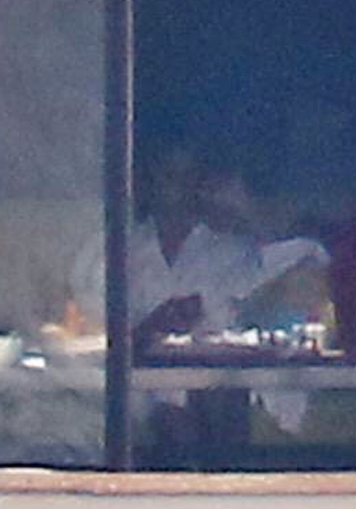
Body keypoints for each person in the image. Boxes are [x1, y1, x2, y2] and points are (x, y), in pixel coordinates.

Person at [68, 146, 330, 460]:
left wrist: (243, 213)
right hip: (139, 380)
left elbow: (305, 254)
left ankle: (226, 477)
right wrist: (151, 327)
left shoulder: (230, 248)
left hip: (219, 381)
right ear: (148, 182)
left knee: (222, 395)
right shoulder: (117, 248)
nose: (178, 188)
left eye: (189, 177)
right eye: (169, 176)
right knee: (167, 405)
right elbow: (91, 329)